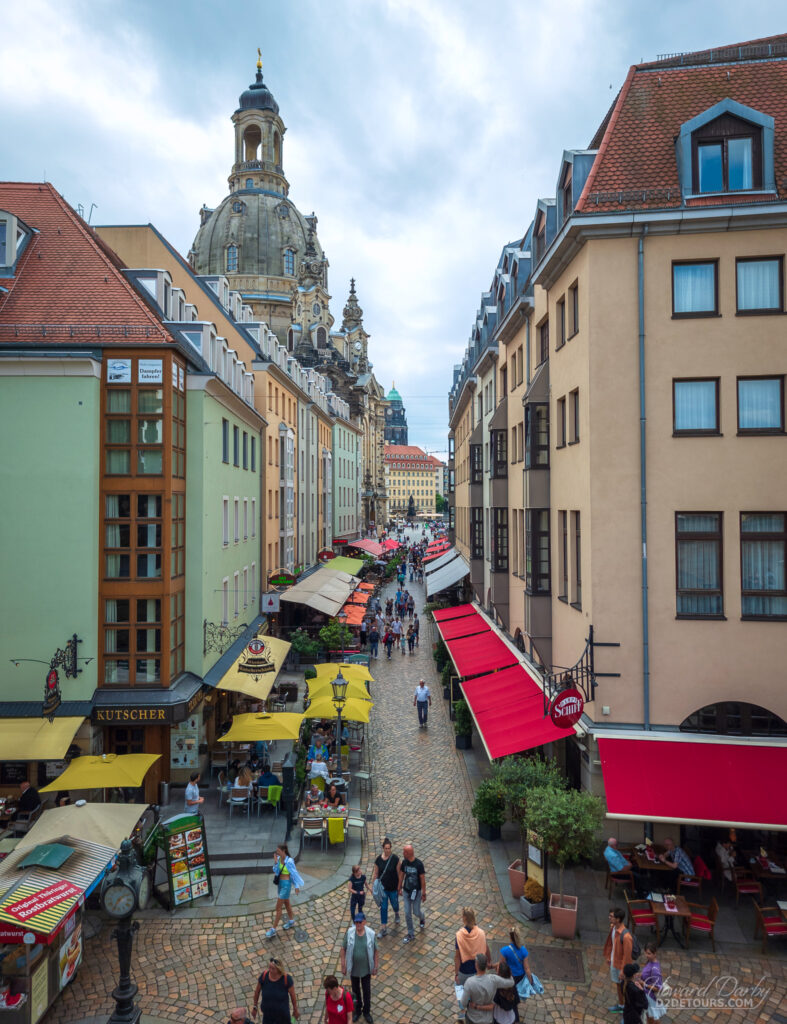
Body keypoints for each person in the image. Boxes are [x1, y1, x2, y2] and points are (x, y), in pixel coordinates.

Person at [340, 912, 378, 1024]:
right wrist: (343, 965)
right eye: (356, 922)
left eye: (360, 922)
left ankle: (366, 1011)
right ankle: (357, 1010)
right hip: (354, 969)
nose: (358, 924)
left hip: (366, 969)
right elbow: (343, 949)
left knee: (367, 991)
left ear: (364, 922)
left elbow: (376, 951)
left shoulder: (370, 933)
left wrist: (375, 966)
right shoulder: (350, 933)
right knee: (356, 992)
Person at [461, 953, 514, 1024]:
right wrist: (501, 966)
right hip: (488, 1019)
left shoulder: (469, 982)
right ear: (486, 966)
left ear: (476, 965)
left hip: (473, 1018)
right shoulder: (493, 979)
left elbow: (463, 1003)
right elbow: (511, 982)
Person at [266, 844, 304, 938]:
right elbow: (275, 870)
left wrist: (296, 886)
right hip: (280, 884)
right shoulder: (279, 859)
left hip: (286, 885)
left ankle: (273, 929)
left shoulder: (290, 861)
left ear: (284, 851)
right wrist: (275, 862)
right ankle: (291, 921)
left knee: (278, 908)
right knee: (286, 903)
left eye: (278, 851)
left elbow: (294, 874)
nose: (276, 852)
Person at [251, 955, 299, 1023]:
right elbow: (257, 992)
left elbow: (293, 996)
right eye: (269, 967)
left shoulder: (286, 979)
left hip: (282, 1016)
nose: (270, 970)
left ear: (279, 969)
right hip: (267, 1015)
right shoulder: (264, 976)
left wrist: (295, 1010)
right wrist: (255, 1007)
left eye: (273, 968)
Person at [603, 907, 634, 1013]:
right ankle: (621, 1006)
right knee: (618, 985)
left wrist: (623, 970)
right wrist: (609, 957)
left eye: (611, 916)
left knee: (625, 988)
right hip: (614, 962)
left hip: (621, 967)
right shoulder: (614, 928)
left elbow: (627, 956)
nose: (609, 918)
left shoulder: (626, 937)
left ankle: (628, 1010)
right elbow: (612, 943)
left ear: (618, 919)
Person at [454, 908, 491, 987]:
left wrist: (457, 974)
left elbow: (457, 957)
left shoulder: (459, 935)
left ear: (464, 918)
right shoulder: (481, 933)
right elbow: (486, 949)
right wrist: (489, 962)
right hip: (477, 971)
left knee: (462, 995)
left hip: (464, 971)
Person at [397, 843, 426, 943]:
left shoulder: (418, 864)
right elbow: (401, 875)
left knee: (416, 912)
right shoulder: (404, 863)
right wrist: (399, 887)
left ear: (408, 853)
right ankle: (410, 933)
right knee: (407, 913)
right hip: (406, 891)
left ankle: (422, 917)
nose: (403, 853)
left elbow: (422, 879)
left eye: (404, 852)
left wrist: (424, 893)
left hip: (416, 892)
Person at [371, 838, 399, 937]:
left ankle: (396, 913)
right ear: (383, 848)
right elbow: (376, 874)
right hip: (383, 889)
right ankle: (383, 928)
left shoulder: (395, 859)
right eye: (386, 848)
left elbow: (399, 873)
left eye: (389, 848)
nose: (387, 850)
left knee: (395, 904)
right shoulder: (378, 860)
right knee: (383, 908)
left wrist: (399, 887)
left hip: (393, 888)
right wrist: (373, 887)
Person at [640, 942, 667, 1022]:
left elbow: (658, 988)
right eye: (646, 953)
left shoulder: (655, 969)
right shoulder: (650, 961)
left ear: (655, 953)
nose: (646, 955)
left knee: (651, 1018)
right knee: (651, 1017)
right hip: (647, 994)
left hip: (650, 997)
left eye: (649, 953)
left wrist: (644, 984)